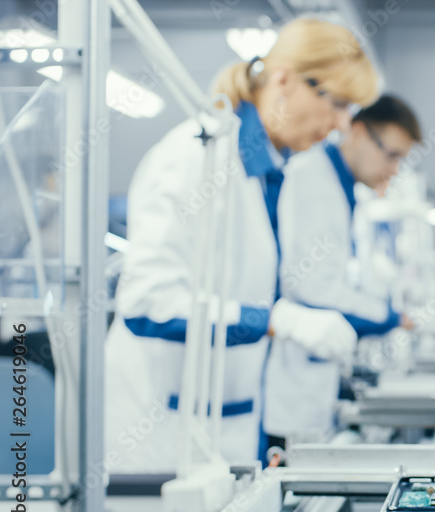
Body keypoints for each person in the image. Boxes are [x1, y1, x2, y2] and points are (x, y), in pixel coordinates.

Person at [104, 19, 379, 472]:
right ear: (285, 79)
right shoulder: (193, 159)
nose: (341, 125)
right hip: (157, 435)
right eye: (339, 103)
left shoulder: (277, 171)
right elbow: (147, 304)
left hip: (229, 424)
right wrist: (277, 319)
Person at [264, 94, 422, 445]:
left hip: (311, 379)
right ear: (360, 133)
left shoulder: (342, 188)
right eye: (392, 154)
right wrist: (389, 317)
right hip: (287, 378)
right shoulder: (313, 178)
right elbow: (312, 287)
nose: (394, 169)